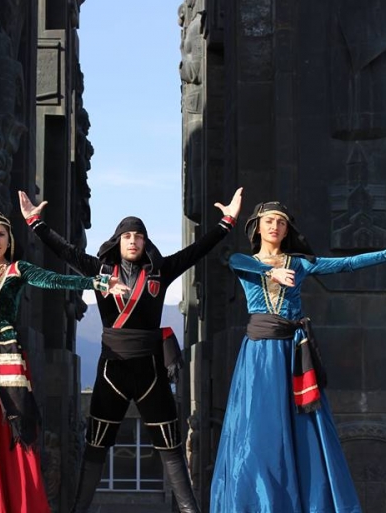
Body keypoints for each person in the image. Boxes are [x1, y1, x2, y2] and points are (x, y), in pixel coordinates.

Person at [19, 188, 244, 513]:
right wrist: (35, 222)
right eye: (127, 236)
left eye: (138, 236)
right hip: (112, 371)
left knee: (171, 449)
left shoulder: (161, 271)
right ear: (118, 241)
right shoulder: (99, 271)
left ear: (145, 242)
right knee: (95, 448)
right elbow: (64, 250)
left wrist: (227, 222)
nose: (133, 241)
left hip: (152, 371)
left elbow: (197, 250)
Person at [210, 201, 386, 513]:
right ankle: (258, 501)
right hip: (260, 356)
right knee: (257, 427)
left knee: (302, 427)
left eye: (281, 222)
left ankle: (307, 501)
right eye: (269, 221)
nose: (275, 226)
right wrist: (271, 271)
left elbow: (346, 264)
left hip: (292, 354)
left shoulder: (299, 264)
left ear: (286, 230)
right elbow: (233, 259)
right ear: (257, 227)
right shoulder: (246, 263)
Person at [0, 210, 127, 513]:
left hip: (8, 362)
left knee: (16, 432)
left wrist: (99, 283)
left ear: (9, 239)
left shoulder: (17, 270)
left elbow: (54, 280)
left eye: (1, 234)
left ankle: (19, 504)